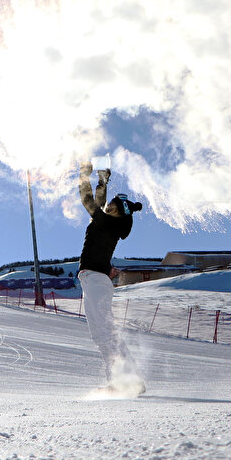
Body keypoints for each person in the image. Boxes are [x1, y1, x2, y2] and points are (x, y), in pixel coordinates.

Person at [77, 161, 145, 396]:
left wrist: (86, 177)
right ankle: (119, 380)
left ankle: (130, 380)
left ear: (119, 212)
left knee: (106, 332)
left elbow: (89, 202)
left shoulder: (110, 224)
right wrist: (101, 181)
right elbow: (98, 202)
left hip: (96, 280)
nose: (106, 208)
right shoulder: (108, 222)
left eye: (111, 207)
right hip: (92, 281)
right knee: (100, 335)